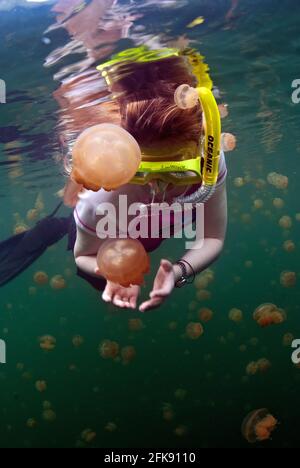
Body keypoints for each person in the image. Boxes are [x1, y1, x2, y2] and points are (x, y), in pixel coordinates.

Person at [64, 48, 228, 312]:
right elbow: (83, 255)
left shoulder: (209, 163)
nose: (159, 192)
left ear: (200, 159)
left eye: (177, 174)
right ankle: (57, 226)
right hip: (102, 237)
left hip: (140, 232)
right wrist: (111, 272)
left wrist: (178, 273)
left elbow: (213, 238)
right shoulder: (101, 196)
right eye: (143, 176)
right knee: (92, 279)